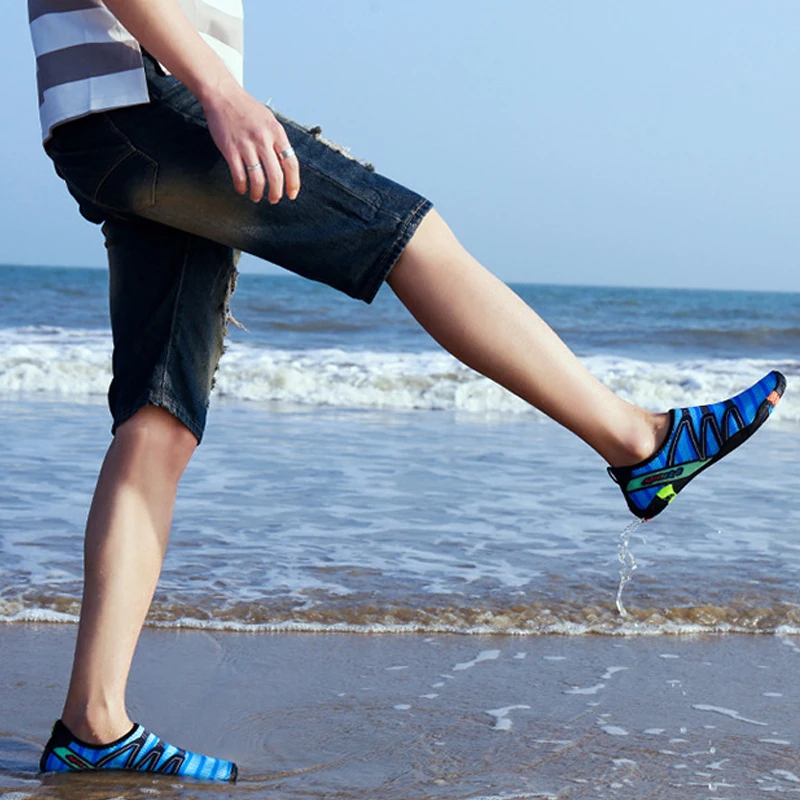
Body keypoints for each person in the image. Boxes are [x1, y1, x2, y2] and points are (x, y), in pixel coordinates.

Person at [30, 0, 785, 783]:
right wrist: (221, 93)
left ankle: (94, 725)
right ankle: (640, 443)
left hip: (103, 120)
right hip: (148, 102)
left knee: (160, 424)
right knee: (409, 235)